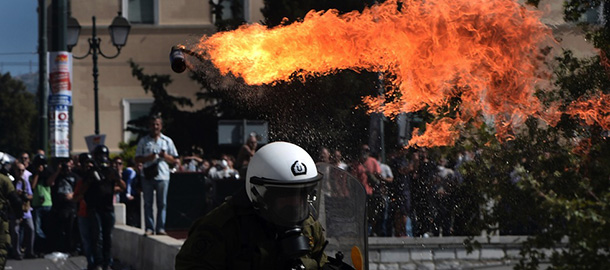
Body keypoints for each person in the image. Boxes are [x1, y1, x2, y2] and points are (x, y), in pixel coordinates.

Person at [175, 142, 329, 270]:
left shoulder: (309, 226)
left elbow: (321, 262)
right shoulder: (223, 226)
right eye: (286, 195)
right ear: (260, 193)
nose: (296, 203)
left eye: (302, 193)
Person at [76, 145, 126, 270]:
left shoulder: (111, 171)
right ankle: (98, 262)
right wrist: (90, 180)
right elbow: (81, 191)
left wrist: (116, 179)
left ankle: (107, 263)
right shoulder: (91, 172)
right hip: (94, 208)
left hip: (108, 208)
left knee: (108, 237)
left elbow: (123, 186)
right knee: (98, 236)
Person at [135, 114, 178, 236]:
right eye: (153, 124)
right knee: (148, 203)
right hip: (148, 175)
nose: (155, 127)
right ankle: (149, 227)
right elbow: (137, 158)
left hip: (163, 175)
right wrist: (150, 157)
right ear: (149, 126)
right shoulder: (144, 141)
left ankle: (160, 227)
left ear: (161, 126)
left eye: (157, 124)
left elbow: (175, 160)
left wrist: (165, 156)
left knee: (162, 203)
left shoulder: (167, 141)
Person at [8, 161, 35, 260]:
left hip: (25, 209)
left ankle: (29, 251)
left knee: (31, 229)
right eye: (19, 170)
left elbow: (31, 194)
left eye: (23, 170)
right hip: (14, 210)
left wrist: (26, 196)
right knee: (16, 232)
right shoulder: (11, 182)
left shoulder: (25, 181)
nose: (21, 172)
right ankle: (16, 252)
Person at [29, 153, 53, 255]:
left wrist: (44, 172)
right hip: (37, 204)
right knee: (37, 229)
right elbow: (32, 186)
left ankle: (47, 247)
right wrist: (37, 173)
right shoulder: (32, 175)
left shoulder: (48, 173)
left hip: (47, 204)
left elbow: (50, 183)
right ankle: (41, 245)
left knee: (47, 227)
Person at [0, 167, 17, 267]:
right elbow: (16, 200)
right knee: (2, 248)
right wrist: (18, 215)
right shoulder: (4, 180)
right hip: (1, 220)